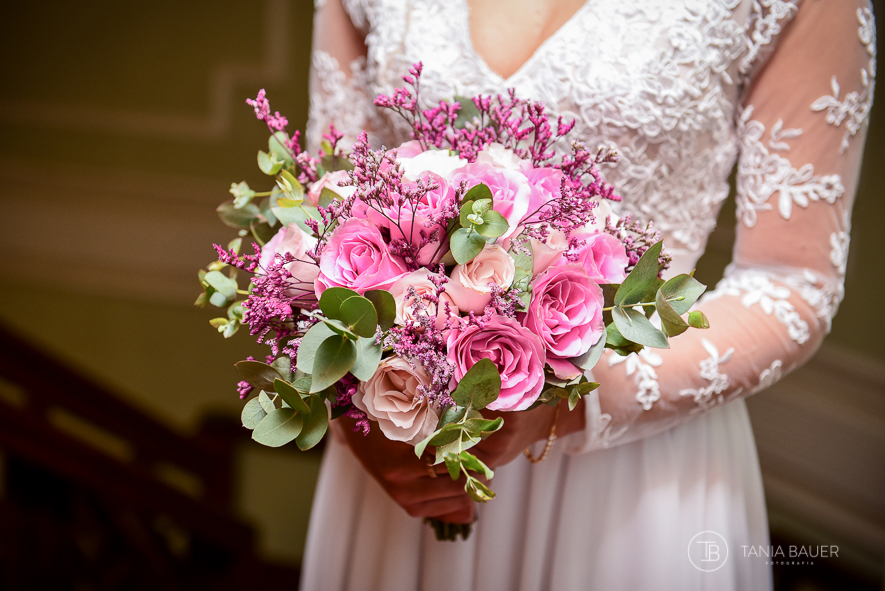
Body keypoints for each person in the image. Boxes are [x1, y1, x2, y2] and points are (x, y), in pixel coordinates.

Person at [300, 1, 876, 589]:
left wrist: (563, 407)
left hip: (629, 475)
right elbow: (325, 206)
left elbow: (791, 283)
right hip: (402, 442)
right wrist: (354, 409)